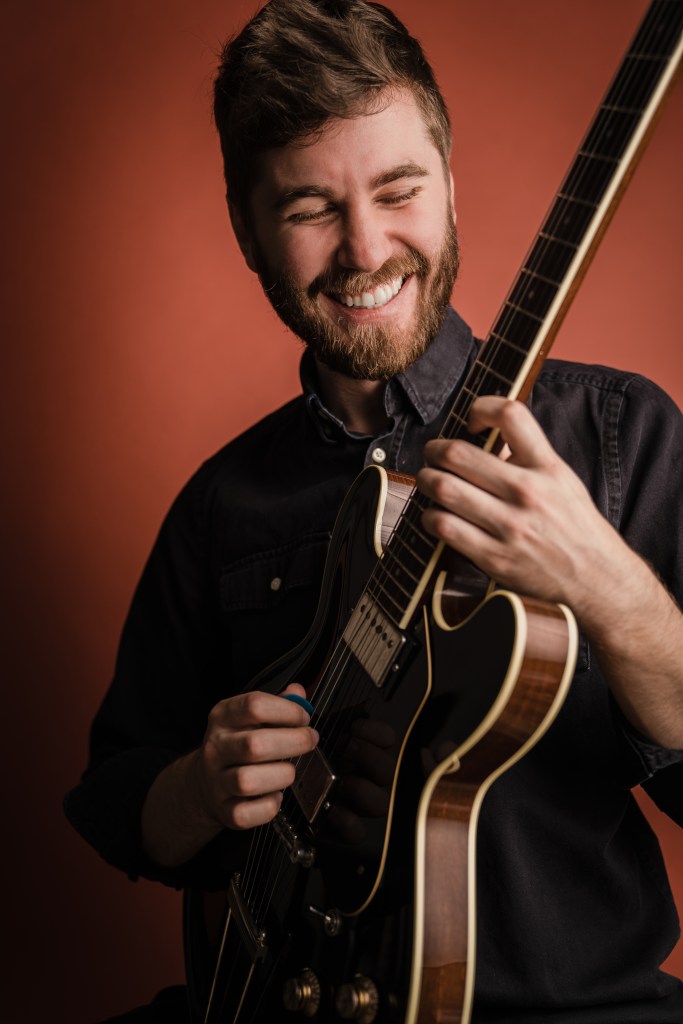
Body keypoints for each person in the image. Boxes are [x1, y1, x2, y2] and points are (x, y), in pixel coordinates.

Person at [65, 2, 683, 1022]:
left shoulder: (620, 437)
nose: (363, 250)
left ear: (449, 185)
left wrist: (609, 589)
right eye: (309, 208)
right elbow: (117, 799)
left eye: (397, 191)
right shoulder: (223, 501)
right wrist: (199, 785)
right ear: (247, 230)